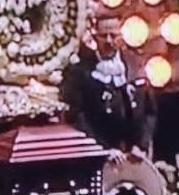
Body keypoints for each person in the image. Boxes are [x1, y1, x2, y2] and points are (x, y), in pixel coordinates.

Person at [60, 11, 157, 162]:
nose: (108, 41)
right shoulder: (80, 72)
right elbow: (77, 117)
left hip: (136, 156)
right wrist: (102, 149)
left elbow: (149, 111)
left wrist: (141, 146)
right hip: (99, 156)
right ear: (95, 37)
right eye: (103, 36)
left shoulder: (136, 64)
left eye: (113, 35)